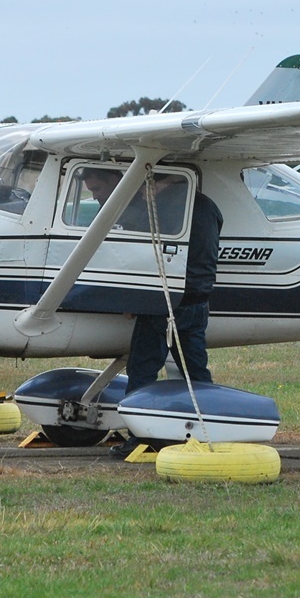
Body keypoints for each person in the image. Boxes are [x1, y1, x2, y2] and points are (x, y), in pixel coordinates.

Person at [115, 183, 223, 457]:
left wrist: (133, 300)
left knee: (141, 371)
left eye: (145, 185)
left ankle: (139, 437)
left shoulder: (159, 209)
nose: (141, 191)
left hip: (165, 304)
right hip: (198, 302)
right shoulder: (208, 205)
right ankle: (210, 428)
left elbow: (144, 255)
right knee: (196, 373)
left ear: (163, 182)